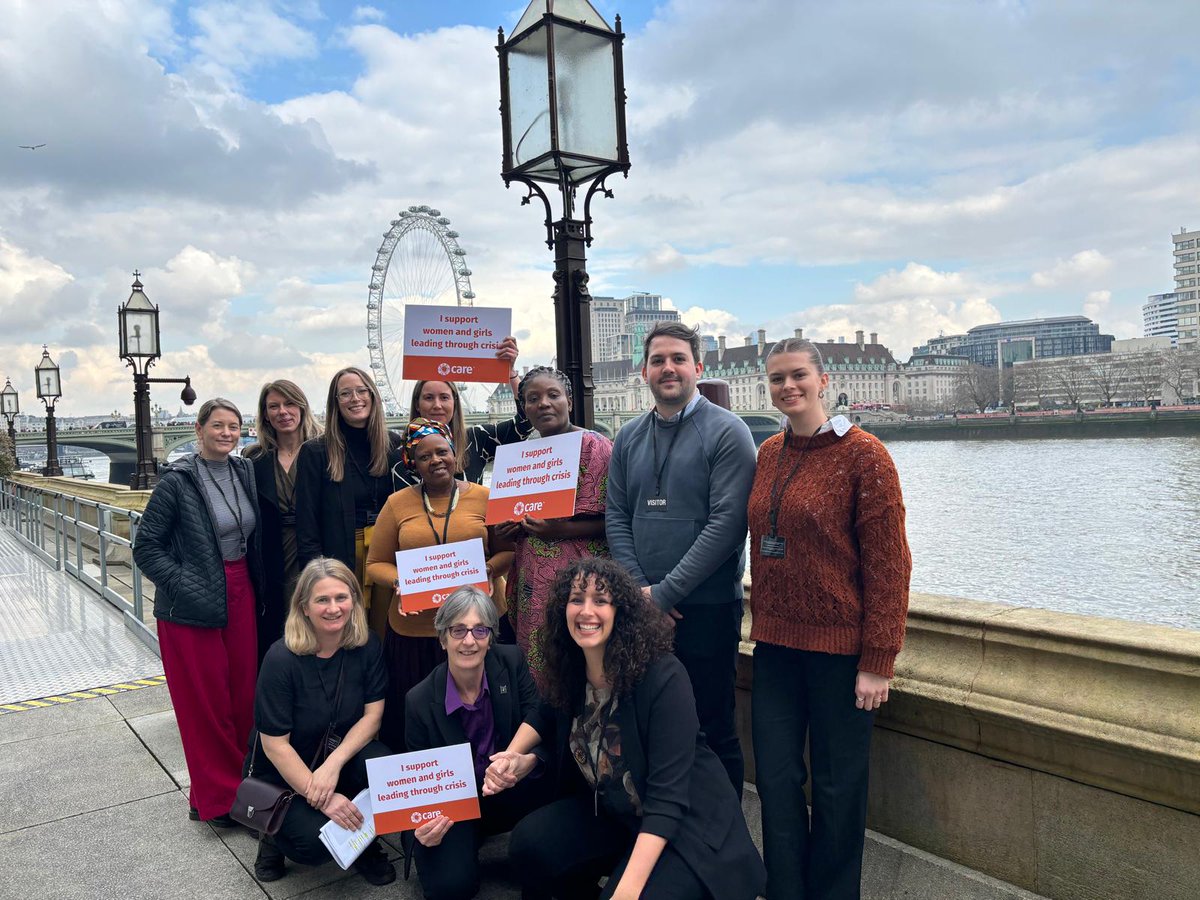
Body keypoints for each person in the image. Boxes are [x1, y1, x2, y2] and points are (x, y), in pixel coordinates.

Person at [485, 558, 766, 900]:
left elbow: (667, 800)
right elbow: (544, 714)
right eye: (576, 599)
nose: (586, 611)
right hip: (618, 814)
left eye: (600, 600)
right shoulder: (572, 666)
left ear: (621, 612)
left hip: (685, 826)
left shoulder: (663, 677)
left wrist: (627, 891)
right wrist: (513, 756)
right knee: (530, 845)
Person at [748, 337, 911, 899]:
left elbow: (890, 565)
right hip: (774, 646)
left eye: (798, 375)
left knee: (839, 790)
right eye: (776, 378)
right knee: (776, 782)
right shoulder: (769, 453)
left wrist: (878, 660)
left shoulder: (865, 455)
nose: (787, 386)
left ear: (823, 380)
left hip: (841, 655)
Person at [604, 320, 757, 793]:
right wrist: (639, 591)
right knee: (647, 724)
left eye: (678, 359)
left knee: (712, 726)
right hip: (641, 606)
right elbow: (617, 516)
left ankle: (723, 828)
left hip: (706, 608)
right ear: (644, 372)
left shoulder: (728, 431)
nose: (668, 368)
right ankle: (663, 823)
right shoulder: (628, 436)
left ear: (698, 367)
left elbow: (727, 526)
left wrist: (663, 594)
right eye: (658, 360)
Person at [133, 397, 264, 826]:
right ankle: (219, 800)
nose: (227, 434)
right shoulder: (177, 481)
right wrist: (184, 585)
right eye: (218, 426)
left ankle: (229, 788)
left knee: (242, 697)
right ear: (199, 429)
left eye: (234, 426)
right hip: (191, 605)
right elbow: (145, 547)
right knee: (206, 706)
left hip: (241, 589)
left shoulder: (244, 470)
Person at [248, 557, 396, 887]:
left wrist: (333, 764)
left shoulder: (367, 644)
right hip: (286, 768)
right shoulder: (281, 658)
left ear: (354, 600)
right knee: (314, 846)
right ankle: (272, 838)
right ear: (303, 607)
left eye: (342, 597)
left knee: (383, 767)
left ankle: (364, 842)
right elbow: (275, 746)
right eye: (322, 600)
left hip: (337, 755)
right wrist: (325, 798)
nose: (333, 608)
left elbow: (373, 717)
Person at [366, 419, 511, 752]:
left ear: (454, 454)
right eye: (424, 456)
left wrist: (487, 570)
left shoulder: (486, 497)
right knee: (420, 718)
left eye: (442, 452)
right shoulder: (396, 503)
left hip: (478, 628)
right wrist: (401, 582)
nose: (435, 460)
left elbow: (508, 552)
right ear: (412, 464)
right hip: (416, 632)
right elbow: (375, 564)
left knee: (483, 713)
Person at [404, 586, 550, 900]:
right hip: (455, 806)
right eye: (458, 630)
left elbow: (539, 714)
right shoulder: (418, 701)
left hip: (509, 787)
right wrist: (421, 828)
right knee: (450, 888)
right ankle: (466, 840)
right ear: (442, 638)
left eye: (480, 630)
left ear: (490, 638)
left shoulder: (511, 661)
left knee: (555, 792)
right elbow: (418, 783)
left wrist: (521, 759)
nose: (469, 641)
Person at [494, 366, 611, 690]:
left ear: (569, 401)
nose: (543, 403)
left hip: (582, 583)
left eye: (553, 395)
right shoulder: (521, 456)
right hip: (533, 583)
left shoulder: (596, 447)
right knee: (538, 675)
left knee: (581, 670)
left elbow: (615, 521)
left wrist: (559, 531)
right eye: (533, 399)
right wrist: (510, 529)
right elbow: (519, 521)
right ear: (524, 408)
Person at [295, 366, 405, 637]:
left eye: (361, 391)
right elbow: (307, 522)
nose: (355, 398)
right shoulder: (315, 452)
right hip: (341, 553)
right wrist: (316, 576)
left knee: (387, 630)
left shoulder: (394, 445)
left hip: (387, 552)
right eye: (345, 393)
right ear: (336, 403)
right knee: (345, 631)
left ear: (373, 395)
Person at [243, 379, 322, 664]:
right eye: (273, 406)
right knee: (276, 628)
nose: (283, 412)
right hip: (273, 554)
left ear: (302, 407)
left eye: (289, 403)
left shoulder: (325, 451)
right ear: (265, 414)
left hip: (315, 548)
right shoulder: (253, 459)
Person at [398, 336, 529, 487]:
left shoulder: (477, 439)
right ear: (417, 404)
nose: (437, 405)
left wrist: (510, 372)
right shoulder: (398, 458)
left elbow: (525, 423)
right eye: (429, 398)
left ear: (455, 402)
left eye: (444, 397)